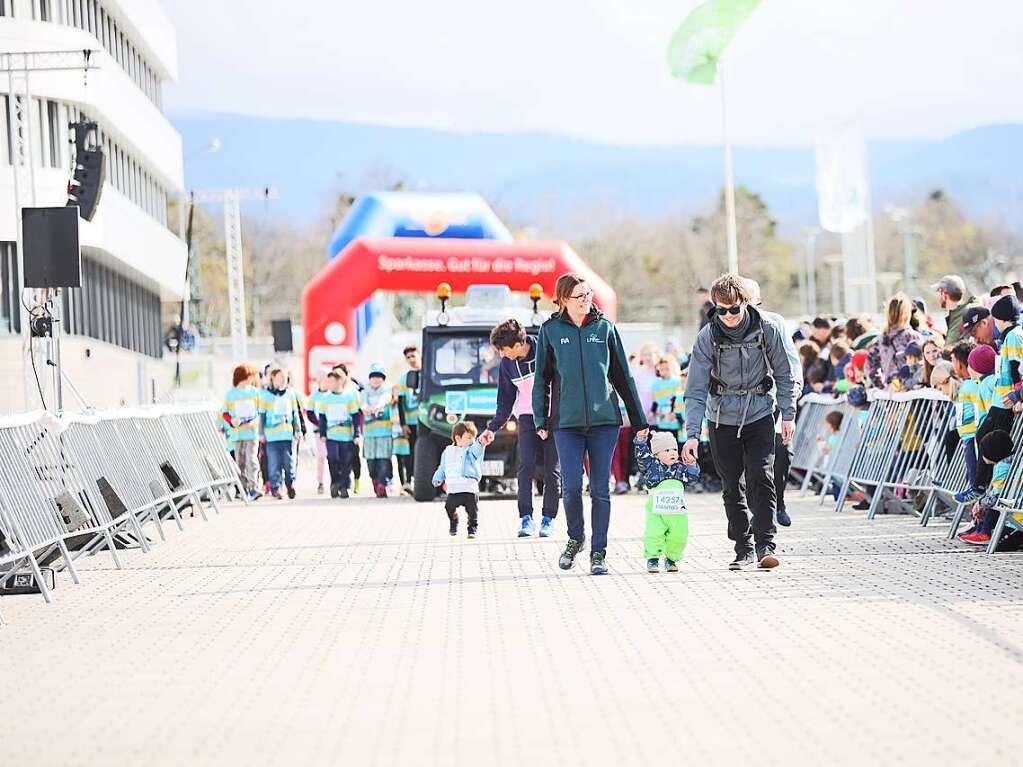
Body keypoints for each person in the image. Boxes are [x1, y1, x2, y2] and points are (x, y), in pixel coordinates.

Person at [533, 272, 647, 576]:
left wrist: (639, 420)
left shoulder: (604, 328)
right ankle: (576, 538)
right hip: (566, 423)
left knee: (600, 489)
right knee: (570, 488)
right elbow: (541, 378)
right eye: (579, 296)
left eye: (589, 295)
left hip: (604, 422)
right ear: (563, 300)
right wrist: (540, 417)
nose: (587, 301)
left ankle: (599, 552)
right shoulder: (550, 331)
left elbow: (623, 375)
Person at [682, 273, 797, 570]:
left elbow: (784, 373)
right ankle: (743, 547)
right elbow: (694, 389)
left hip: (759, 411)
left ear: (745, 303)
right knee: (732, 484)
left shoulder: (766, 329)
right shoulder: (707, 337)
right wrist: (692, 434)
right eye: (721, 310)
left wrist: (788, 414)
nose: (729, 316)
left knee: (761, 475)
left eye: (734, 309)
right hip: (721, 417)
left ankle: (765, 545)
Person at [481, 319, 560, 538]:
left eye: (502, 349)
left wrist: (547, 419)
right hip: (526, 417)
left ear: (517, 345)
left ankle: (548, 519)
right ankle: (526, 518)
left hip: (554, 416)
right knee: (525, 466)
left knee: (552, 470)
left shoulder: (545, 350)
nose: (500, 354)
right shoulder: (507, 364)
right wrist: (492, 428)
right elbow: (505, 400)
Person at [635, 430, 700, 573]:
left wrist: (692, 466)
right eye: (667, 450)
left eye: (675, 449)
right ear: (656, 453)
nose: (672, 453)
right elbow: (642, 456)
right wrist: (641, 440)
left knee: (679, 535)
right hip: (656, 511)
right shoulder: (652, 465)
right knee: (654, 533)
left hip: (677, 512)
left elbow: (692, 480)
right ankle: (653, 559)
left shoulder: (681, 468)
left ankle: (671, 559)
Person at [959, 430, 1015, 545]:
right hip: (1014, 515)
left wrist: (980, 504)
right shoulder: (1011, 462)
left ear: (992, 452)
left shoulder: (1002, 467)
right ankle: (983, 531)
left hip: (1016, 521)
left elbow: (995, 497)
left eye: (983, 452)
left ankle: (985, 532)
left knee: (998, 544)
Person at [432, 421, 486, 539]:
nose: (472, 440)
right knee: (449, 507)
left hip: (469, 488)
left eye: (474, 438)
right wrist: (438, 478)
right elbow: (442, 467)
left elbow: (478, 448)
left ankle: (472, 527)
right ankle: (454, 520)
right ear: (458, 438)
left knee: (473, 510)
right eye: (469, 438)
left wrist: (481, 442)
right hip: (454, 489)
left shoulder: (471, 450)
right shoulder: (447, 452)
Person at [259, 366, 302, 500]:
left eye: (284, 378)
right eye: (279, 378)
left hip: (287, 435)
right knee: (273, 464)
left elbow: (295, 414)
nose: (282, 380)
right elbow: (262, 417)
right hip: (272, 437)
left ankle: (290, 484)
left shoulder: (290, 394)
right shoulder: (265, 396)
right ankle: (275, 488)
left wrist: (298, 430)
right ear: (273, 378)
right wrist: (261, 433)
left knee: (289, 462)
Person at [318, 366, 362, 499]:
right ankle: (335, 482)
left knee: (346, 462)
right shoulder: (325, 398)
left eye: (332, 381)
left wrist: (356, 434)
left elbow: (355, 417)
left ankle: (343, 486)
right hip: (331, 436)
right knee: (332, 458)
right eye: (328, 381)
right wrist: (323, 433)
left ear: (340, 381)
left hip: (346, 437)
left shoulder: (349, 397)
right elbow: (322, 418)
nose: (329, 384)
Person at [865, 293, 923, 388]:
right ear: (907, 313)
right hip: (913, 391)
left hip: (892, 393)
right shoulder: (914, 338)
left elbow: (869, 367)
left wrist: (882, 386)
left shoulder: (880, 341)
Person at [222, 364, 262, 500]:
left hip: (252, 432)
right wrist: (232, 421)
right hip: (237, 434)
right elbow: (224, 414)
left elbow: (260, 412)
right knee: (240, 462)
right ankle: (243, 488)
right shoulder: (230, 394)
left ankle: (254, 487)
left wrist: (254, 423)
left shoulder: (255, 393)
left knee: (252, 459)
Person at [361, 364, 395, 498]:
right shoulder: (364, 393)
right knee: (371, 464)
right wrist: (367, 409)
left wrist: (378, 409)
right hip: (369, 435)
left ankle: (382, 484)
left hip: (384, 434)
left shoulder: (387, 392)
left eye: (379, 377)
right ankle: (375, 482)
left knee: (383, 462)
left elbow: (385, 403)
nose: (376, 379)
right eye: (373, 377)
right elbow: (362, 405)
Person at [395, 346, 422, 495]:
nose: (411, 359)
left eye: (413, 355)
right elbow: (400, 403)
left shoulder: (428, 374)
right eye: (408, 357)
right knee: (412, 452)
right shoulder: (403, 379)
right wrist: (403, 424)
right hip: (411, 422)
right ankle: (410, 482)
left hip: (426, 420)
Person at [306, 371, 331, 495]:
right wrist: (319, 423)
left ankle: (335, 481)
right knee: (321, 456)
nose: (326, 383)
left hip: (332, 430)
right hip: (318, 431)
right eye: (324, 380)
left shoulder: (332, 395)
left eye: (328, 380)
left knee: (332, 457)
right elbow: (309, 413)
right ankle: (320, 482)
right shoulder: (314, 397)